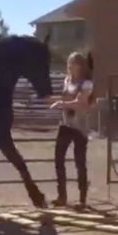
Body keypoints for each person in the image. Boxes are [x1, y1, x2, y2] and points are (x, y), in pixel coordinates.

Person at [49, 51, 95, 209]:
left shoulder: (87, 83)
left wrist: (61, 104)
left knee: (79, 163)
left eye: (73, 63)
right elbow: (65, 99)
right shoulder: (67, 80)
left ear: (80, 65)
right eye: (69, 63)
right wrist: (56, 101)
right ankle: (62, 196)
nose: (70, 66)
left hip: (80, 127)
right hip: (65, 124)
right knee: (58, 159)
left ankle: (82, 199)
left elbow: (80, 103)